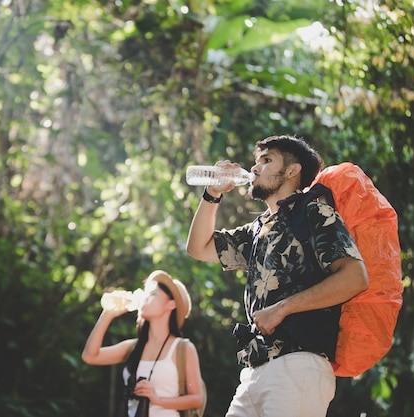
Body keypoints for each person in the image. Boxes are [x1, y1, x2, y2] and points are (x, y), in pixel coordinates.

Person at [186, 135, 368, 417]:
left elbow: (355, 277)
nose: (255, 168)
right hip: (254, 371)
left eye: (267, 160)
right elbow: (199, 248)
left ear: (293, 171)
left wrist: (281, 309)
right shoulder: (257, 230)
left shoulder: (313, 213)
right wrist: (212, 193)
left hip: (297, 366)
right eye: (256, 161)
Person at [82, 270, 204, 417]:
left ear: (171, 304)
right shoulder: (133, 347)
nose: (145, 299)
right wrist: (108, 314)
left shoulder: (183, 348)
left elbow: (197, 399)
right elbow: (90, 356)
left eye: (153, 294)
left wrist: (157, 399)